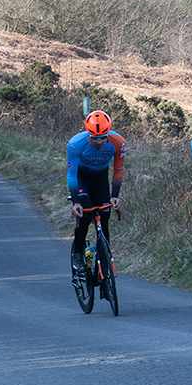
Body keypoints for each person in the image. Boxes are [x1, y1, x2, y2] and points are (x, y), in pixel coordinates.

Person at [67, 109, 125, 282]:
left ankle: (104, 258)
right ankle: (78, 254)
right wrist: (75, 201)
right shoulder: (75, 144)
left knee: (104, 219)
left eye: (103, 137)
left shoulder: (118, 142)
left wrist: (115, 195)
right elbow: (71, 174)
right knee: (85, 217)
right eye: (94, 138)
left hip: (100, 178)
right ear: (87, 133)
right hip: (82, 180)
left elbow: (118, 170)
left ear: (109, 132)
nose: (99, 142)